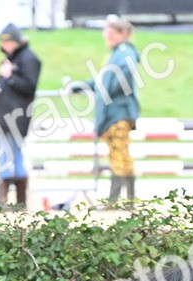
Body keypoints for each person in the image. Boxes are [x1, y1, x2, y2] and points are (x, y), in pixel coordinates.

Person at [77, 15, 139, 203]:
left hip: (118, 112)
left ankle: (116, 200)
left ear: (122, 34)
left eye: (111, 33)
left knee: (119, 155)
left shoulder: (125, 53)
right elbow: (101, 80)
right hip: (114, 112)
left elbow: (116, 81)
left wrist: (105, 89)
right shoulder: (116, 53)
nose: (107, 36)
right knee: (120, 154)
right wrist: (81, 85)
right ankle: (128, 199)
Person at [0, 23, 41, 209]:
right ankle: (15, 202)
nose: (4, 45)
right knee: (9, 155)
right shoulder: (12, 58)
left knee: (10, 156)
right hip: (4, 115)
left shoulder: (28, 59)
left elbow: (28, 87)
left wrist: (9, 77)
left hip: (15, 116)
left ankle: (13, 201)